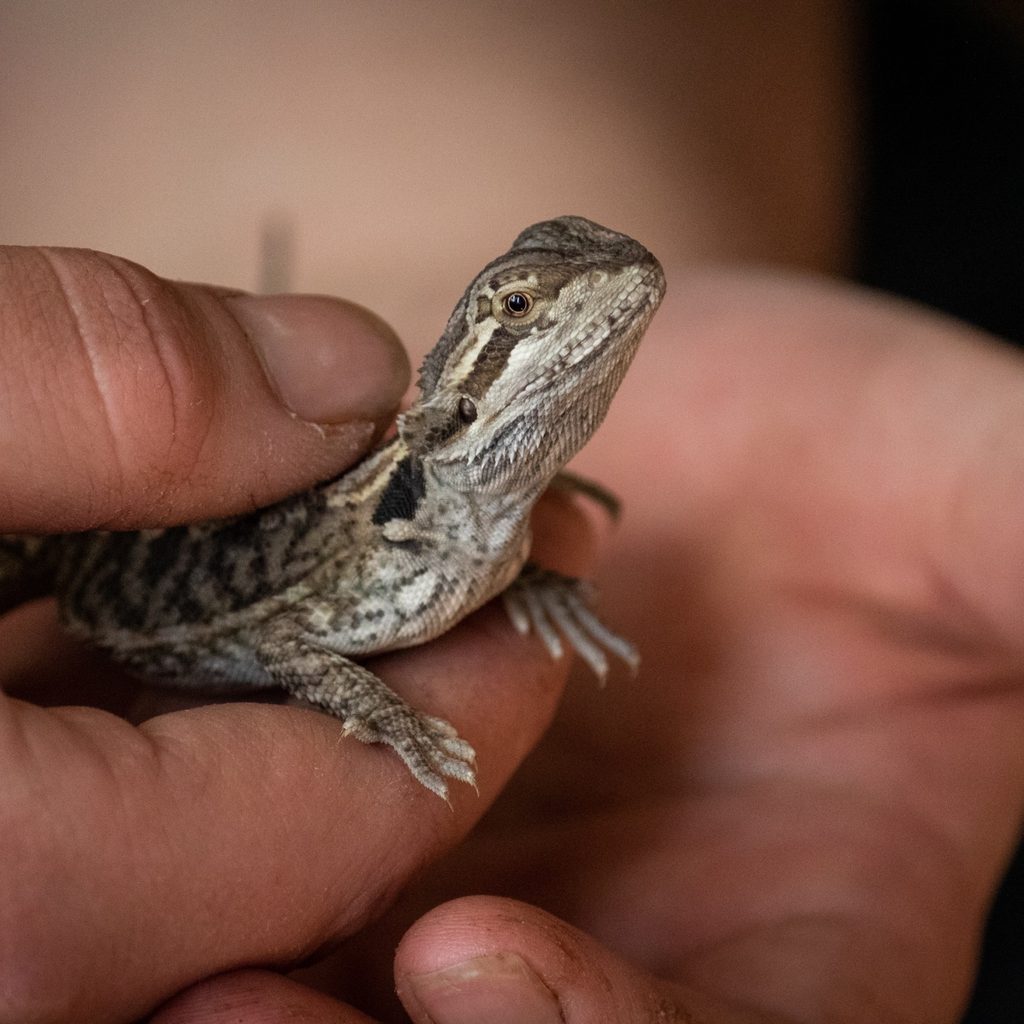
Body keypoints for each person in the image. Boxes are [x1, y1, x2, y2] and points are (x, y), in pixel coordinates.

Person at [2, 243, 1021, 1023]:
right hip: (113, 596)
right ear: (457, 403)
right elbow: (288, 640)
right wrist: (384, 714)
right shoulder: (381, 550)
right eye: (525, 306)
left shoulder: (485, 525)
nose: (601, 282)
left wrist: (532, 578)